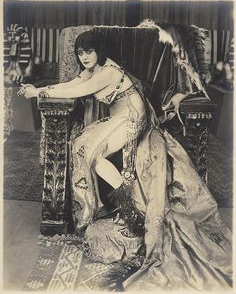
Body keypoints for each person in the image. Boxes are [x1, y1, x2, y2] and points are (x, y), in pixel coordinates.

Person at [18, 30, 232, 291]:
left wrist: (39, 92)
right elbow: (73, 85)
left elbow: (81, 90)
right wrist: (38, 90)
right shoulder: (91, 70)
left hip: (132, 117)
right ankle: (119, 206)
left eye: (89, 51)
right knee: (85, 150)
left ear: (99, 52)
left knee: (90, 152)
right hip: (118, 116)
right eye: (80, 52)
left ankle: (130, 209)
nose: (84, 57)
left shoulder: (106, 71)